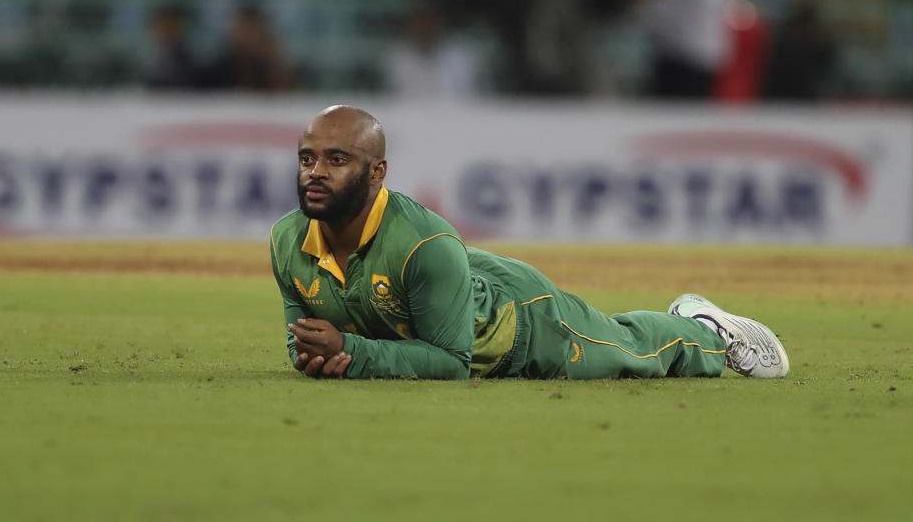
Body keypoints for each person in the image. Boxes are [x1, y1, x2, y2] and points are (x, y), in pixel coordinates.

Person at [270, 105, 791, 380]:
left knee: (630, 352)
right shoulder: (286, 241)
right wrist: (318, 356)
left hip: (522, 324)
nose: (316, 172)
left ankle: (706, 330)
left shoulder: (421, 242)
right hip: (455, 286)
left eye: (337, 160)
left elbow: (452, 364)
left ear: (377, 171)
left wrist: (353, 354)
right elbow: (306, 340)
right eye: (307, 158)